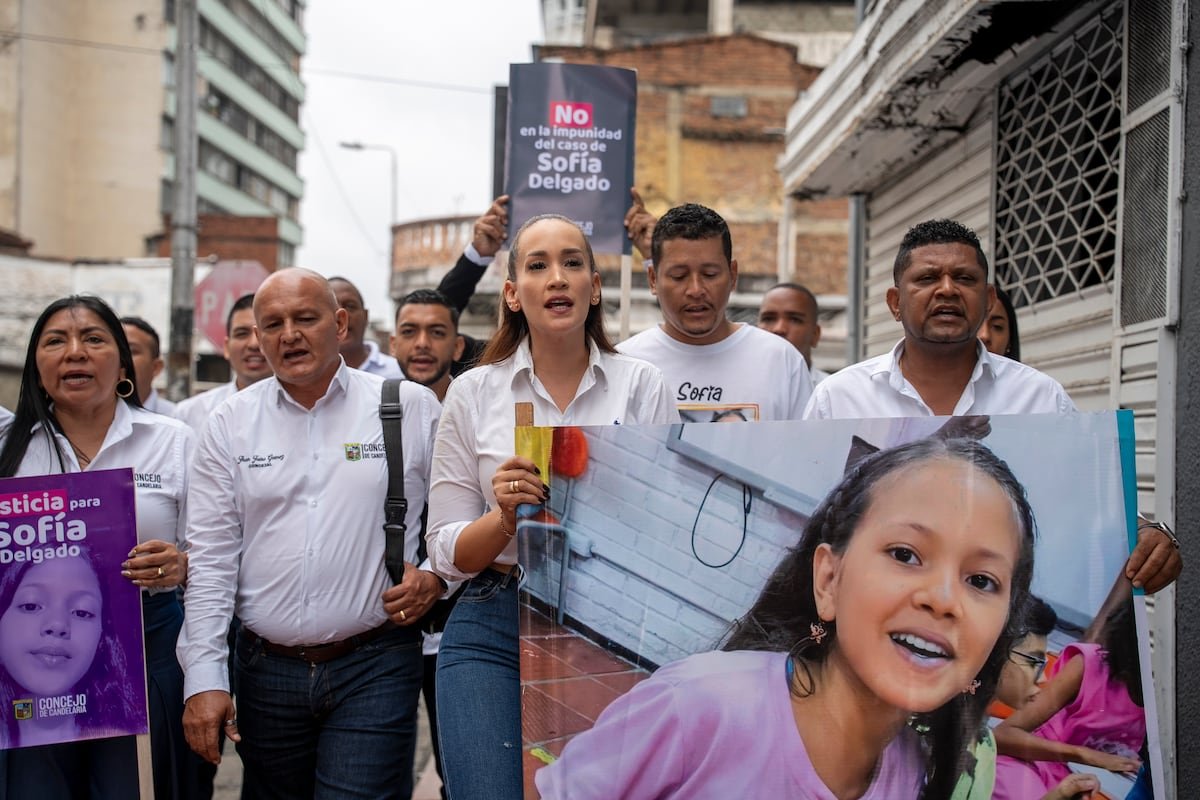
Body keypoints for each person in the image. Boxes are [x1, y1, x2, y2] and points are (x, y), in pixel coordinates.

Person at [536, 437, 1038, 800]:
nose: (944, 599)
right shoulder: (696, 706)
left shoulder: (914, 774)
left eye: (981, 581)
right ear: (829, 580)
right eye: (905, 554)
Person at [427, 214, 678, 800]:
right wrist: (501, 517)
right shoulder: (473, 391)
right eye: (537, 266)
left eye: (572, 263)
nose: (557, 278)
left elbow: (659, 526)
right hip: (491, 619)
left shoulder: (641, 385)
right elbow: (444, 552)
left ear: (595, 284)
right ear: (513, 293)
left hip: (606, 621)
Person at [804, 219, 1181, 594]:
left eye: (965, 279)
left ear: (987, 301)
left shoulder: (1039, 397)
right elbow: (817, 513)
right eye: (927, 278)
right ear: (895, 302)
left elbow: (1091, 503)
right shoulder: (839, 397)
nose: (947, 290)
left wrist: (1146, 534)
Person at [178, 268, 443, 799]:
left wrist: (436, 577)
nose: (288, 335)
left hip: (376, 662)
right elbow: (211, 559)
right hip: (263, 671)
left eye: (305, 318)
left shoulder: (408, 407)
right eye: (271, 324)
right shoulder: (229, 424)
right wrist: (204, 677)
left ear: (340, 323)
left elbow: (453, 517)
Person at [0, 295, 202, 798]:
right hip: (29, 670)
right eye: (55, 342)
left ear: (122, 362)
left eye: (93, 339)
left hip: (147, 650)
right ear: (36, 364)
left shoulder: (174, 441)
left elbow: (218, 555)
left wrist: (181, 565)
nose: (75, 353)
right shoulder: (7, 446)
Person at [619, 197, 812, 421]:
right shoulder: (625, 364)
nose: (695, 290)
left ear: (733, 275)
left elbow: (810, 453)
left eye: (710, 275)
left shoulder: (781, 360)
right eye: (679, 276)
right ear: (653, 279)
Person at [993, 593, 1145, 799]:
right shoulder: (1088, 666)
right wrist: (1087, 755)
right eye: (1035, 662)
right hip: (1034, 763)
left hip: (1093, 782)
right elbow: (1002, 736)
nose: (1042, 678)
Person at [0, 550, 143, 749]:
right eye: (31, 605)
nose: (58, 624)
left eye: (82, 612)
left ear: (102, 638)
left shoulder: (128, 745)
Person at [175, 293, 272, 433]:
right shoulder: (188, 415)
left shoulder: (303, 409)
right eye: (242, 333)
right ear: (226, 347)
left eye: (262, 333)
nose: (253, 344)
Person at [391, 289, 466, 403]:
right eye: (409, 332)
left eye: (437, 333)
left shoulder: (478, 411)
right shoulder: (373, 409)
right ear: (393, 346)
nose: (422, 344)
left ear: (457, 347)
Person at [328, 275, 404, 378]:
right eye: (332, 307)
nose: (342, 317)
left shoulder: (400, 374)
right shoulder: (304, 377)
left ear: (366, 316)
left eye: (350, 306)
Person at [757, 282, 829, 382]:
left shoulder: (832, 393)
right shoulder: (736, 384)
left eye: (794, 320)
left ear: (815, 334)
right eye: (769, 319)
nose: (779, 329)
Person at [122, 315, 178, 416]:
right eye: (117, 350)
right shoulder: (87, 419)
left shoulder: (176, 419)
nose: (121, 358)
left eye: (132, 351)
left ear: (156, 367)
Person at [978, 286, 1021, 362]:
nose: (985, 335)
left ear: (1009, 341)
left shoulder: (1031, 374)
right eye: (976, 324)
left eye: (997, 326)